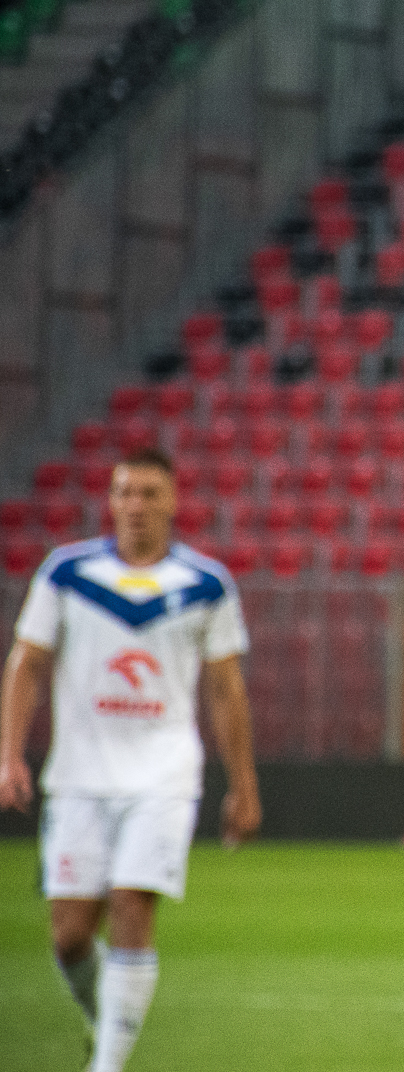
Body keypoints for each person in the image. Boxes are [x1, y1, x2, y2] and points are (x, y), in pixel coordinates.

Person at [0, 446, 260, 1072]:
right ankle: (110, 1028)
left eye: (148, 493)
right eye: (125, 492)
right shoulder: (67, 573)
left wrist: (243, 785)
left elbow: (226, 689)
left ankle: (108, 1065)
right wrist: (9, 756)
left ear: (172, 501)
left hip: (164, 774)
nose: (136, 505)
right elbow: (27, 664)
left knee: (131, 906)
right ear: (110, 501)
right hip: (79, 776)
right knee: (69, 937)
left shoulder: (205, 584)